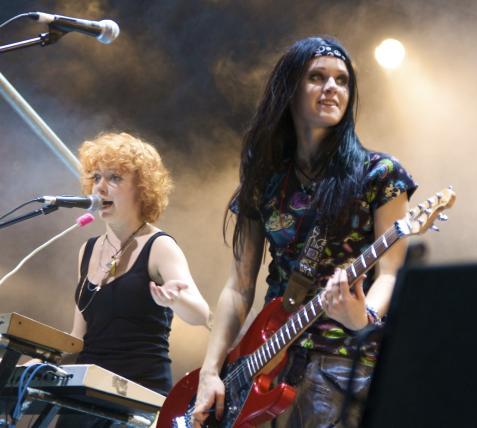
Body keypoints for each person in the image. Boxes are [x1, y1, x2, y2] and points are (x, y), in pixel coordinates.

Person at [193, 36, 417, 427]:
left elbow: (392, 273)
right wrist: (210, 371)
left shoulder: (380, 174)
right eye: (317, 77)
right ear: (290, 89)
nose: (332, 88)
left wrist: (362, 317)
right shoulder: (264, 180)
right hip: (270, 364)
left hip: (343, 363)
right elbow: (239, 287)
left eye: (342, 80)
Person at [58, 132, 210, 427]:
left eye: (114, 178)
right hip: (83, 397)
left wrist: (176, 299)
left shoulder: (160, 246)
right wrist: (36, 359)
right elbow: (78, 337)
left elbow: (202, 314)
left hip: (137, 401)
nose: (100, 187)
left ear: (142, 189)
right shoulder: (87, 250)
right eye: (96, 177)